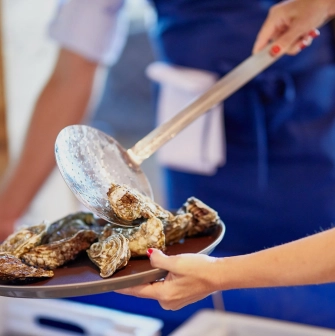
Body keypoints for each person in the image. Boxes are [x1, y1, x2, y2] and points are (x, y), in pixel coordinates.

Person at [1, 0, 335, 334]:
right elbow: (72, 68)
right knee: (190, 250)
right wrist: (7, 212)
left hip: (308, 129)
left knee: (308, 295)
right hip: (197, 142)